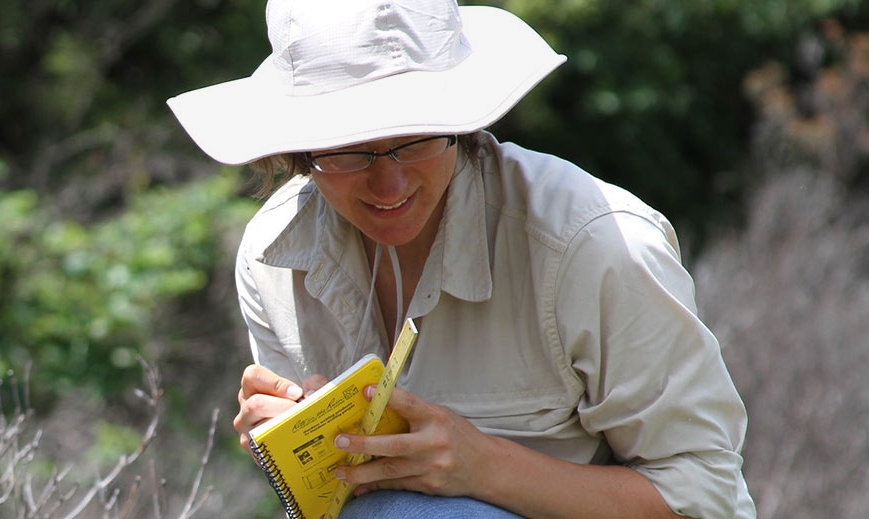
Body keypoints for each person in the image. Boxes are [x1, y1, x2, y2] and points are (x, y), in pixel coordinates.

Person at [166, 1, 755, 518]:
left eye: (416, 137)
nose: (387, 182)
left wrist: (484, 468)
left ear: (462, 123)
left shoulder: (595, 247)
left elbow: (705, 500)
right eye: (347, 152)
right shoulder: (274, 257)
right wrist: (296, 448)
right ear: (300, 150)